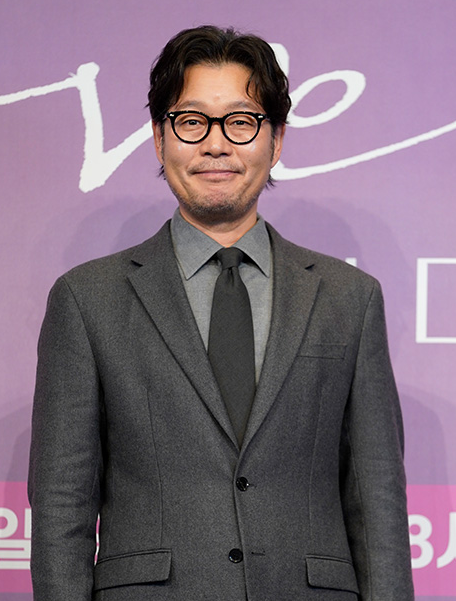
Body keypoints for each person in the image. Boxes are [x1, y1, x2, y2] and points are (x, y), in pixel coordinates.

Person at [28, 25, 414, 601]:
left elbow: (376, 499)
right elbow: (63, 505)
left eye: (241, 121)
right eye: (192, 122)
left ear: (276, 140)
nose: (216, 144)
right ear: (159, 138)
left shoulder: (348, 298)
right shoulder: (88, 300)